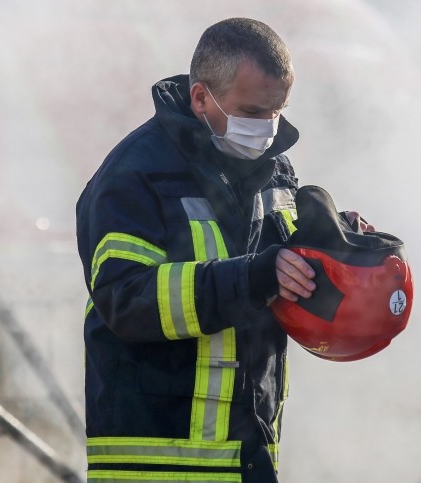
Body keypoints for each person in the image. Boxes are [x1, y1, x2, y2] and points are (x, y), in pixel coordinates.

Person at [75, 17, 350, 483]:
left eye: (276, 112)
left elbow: (281, 273)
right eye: (251, 111)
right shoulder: (133, 175)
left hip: (249, 457)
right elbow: (126, 300)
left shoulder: (274, 168)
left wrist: (336, 244)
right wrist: (253, 277)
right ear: (201, 97)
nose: (265, 129)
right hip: (155, 465)